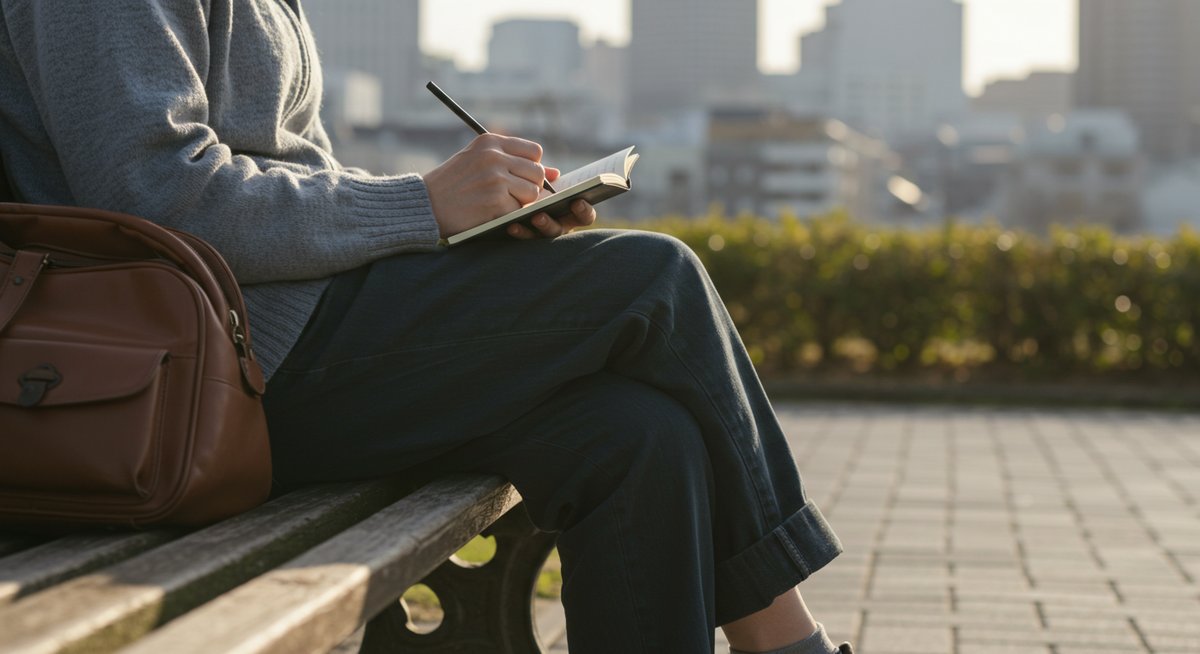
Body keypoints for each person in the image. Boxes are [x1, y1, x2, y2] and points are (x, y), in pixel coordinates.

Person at [0, 2, 852, 652]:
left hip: (286, 336)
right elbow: (157, 196)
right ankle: (784, 641)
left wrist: (468, 221)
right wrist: (421, 205)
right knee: (653, 277)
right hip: (205, 379)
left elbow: (299, 175)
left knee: (634, 434)